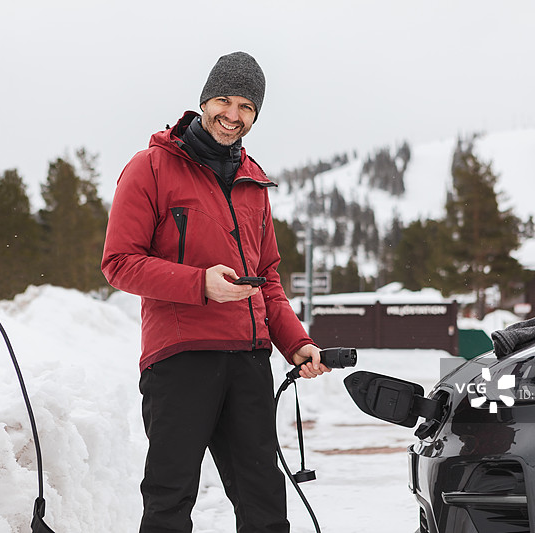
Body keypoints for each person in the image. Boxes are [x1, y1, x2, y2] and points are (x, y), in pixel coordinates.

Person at [101, 51, 330, 533]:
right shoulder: (151, 168)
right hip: (181, 357)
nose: (233, 115)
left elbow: (267, 276)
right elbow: (119, 264)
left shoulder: (254, 183)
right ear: (204, 101)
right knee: (170, 496)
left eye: (246, 106)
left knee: (265, 502)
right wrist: (198, 284)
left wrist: (297, 343)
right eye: (224, 100)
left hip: (248, 360)